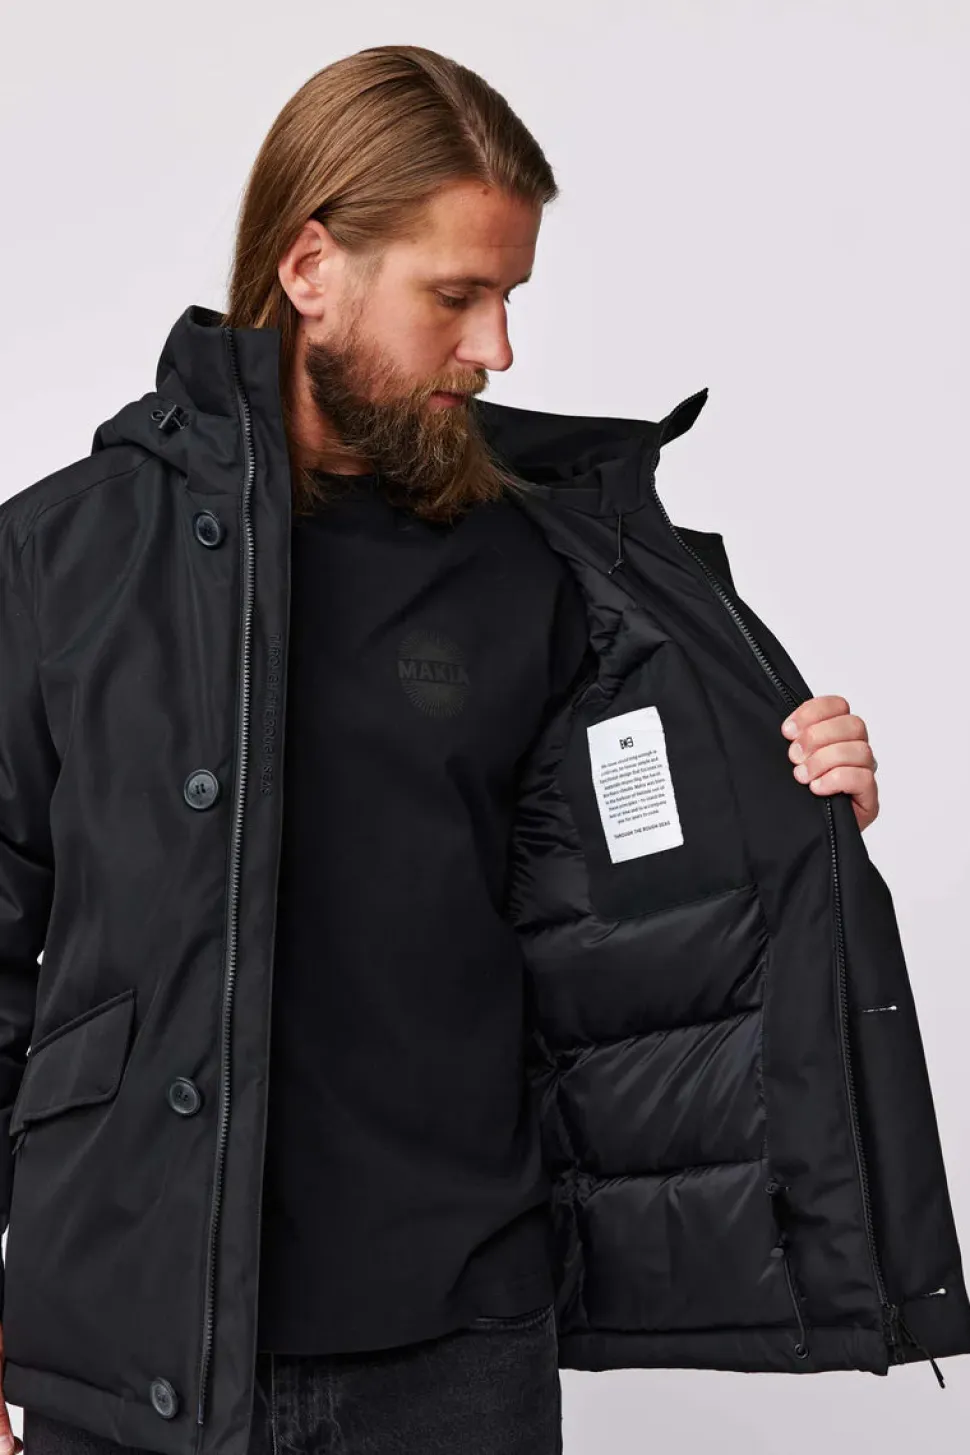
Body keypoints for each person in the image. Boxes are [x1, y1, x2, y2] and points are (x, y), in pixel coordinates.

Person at [1, 42, 965, 1455]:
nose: (497, 347)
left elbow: (622, 893)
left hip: (455, 1354)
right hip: (126, 1344)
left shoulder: (538, 565)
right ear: (310, 266)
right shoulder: (65, 557)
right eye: (455, 296)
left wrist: (789, 813)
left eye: (509, 297)